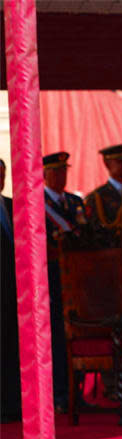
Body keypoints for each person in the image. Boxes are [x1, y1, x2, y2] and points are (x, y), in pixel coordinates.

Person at [43, 151, 87, 413]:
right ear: (45, 175)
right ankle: (60, 392)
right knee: (57, 337)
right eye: (55, 171)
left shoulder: (74, 202)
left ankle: (76, 391)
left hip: (78, 281)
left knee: (77, 334)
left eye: (63, 171)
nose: (61, 176)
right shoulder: (37, 203)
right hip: (54, 281)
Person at [1, 159, 21, 422]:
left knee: (12, 349)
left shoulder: (12, 206)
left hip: (14, 291)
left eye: (3, 175)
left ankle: (12, 403)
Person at [84, 144, 122, 243]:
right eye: (120, 162)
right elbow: (94, 231)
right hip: (112, 252)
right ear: (107, 164)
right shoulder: (96, 198)